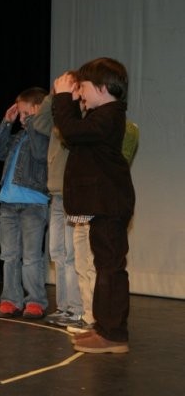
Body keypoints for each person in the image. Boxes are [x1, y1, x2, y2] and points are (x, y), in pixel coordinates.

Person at [52, 57, 135, 354]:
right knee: (105, 266)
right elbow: (76, 136)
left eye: (83, 88)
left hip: (110, 203)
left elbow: (73, 132)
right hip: (105, 203)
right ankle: (104, 327)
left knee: (111, 268)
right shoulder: (103, 115)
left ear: (101, 88)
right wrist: (72, 103)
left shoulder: (110, 115)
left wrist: (62, 97)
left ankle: (114, 334)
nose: (80, 93)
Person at [0, 87, 50, 319]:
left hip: (33, 205)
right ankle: (10, 299)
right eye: (22, 114)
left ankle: (35, 300)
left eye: (27, 113)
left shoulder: (44, 136)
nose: (23, 118)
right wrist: (6, 123)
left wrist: (36, 122)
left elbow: (39, 155)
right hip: (8, 204)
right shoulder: (18, 136)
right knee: (9, 255)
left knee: (32, 256)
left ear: (38, 111)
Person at [32, 85, 85, 328]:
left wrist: (68, 100)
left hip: (72, 195)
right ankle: (64, 307)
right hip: (56, 196)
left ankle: (76, 309)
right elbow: (38, 123)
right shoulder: (56, 123)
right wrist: (52, 95)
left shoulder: (76, 123)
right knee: (57, 253)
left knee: (72, 255)